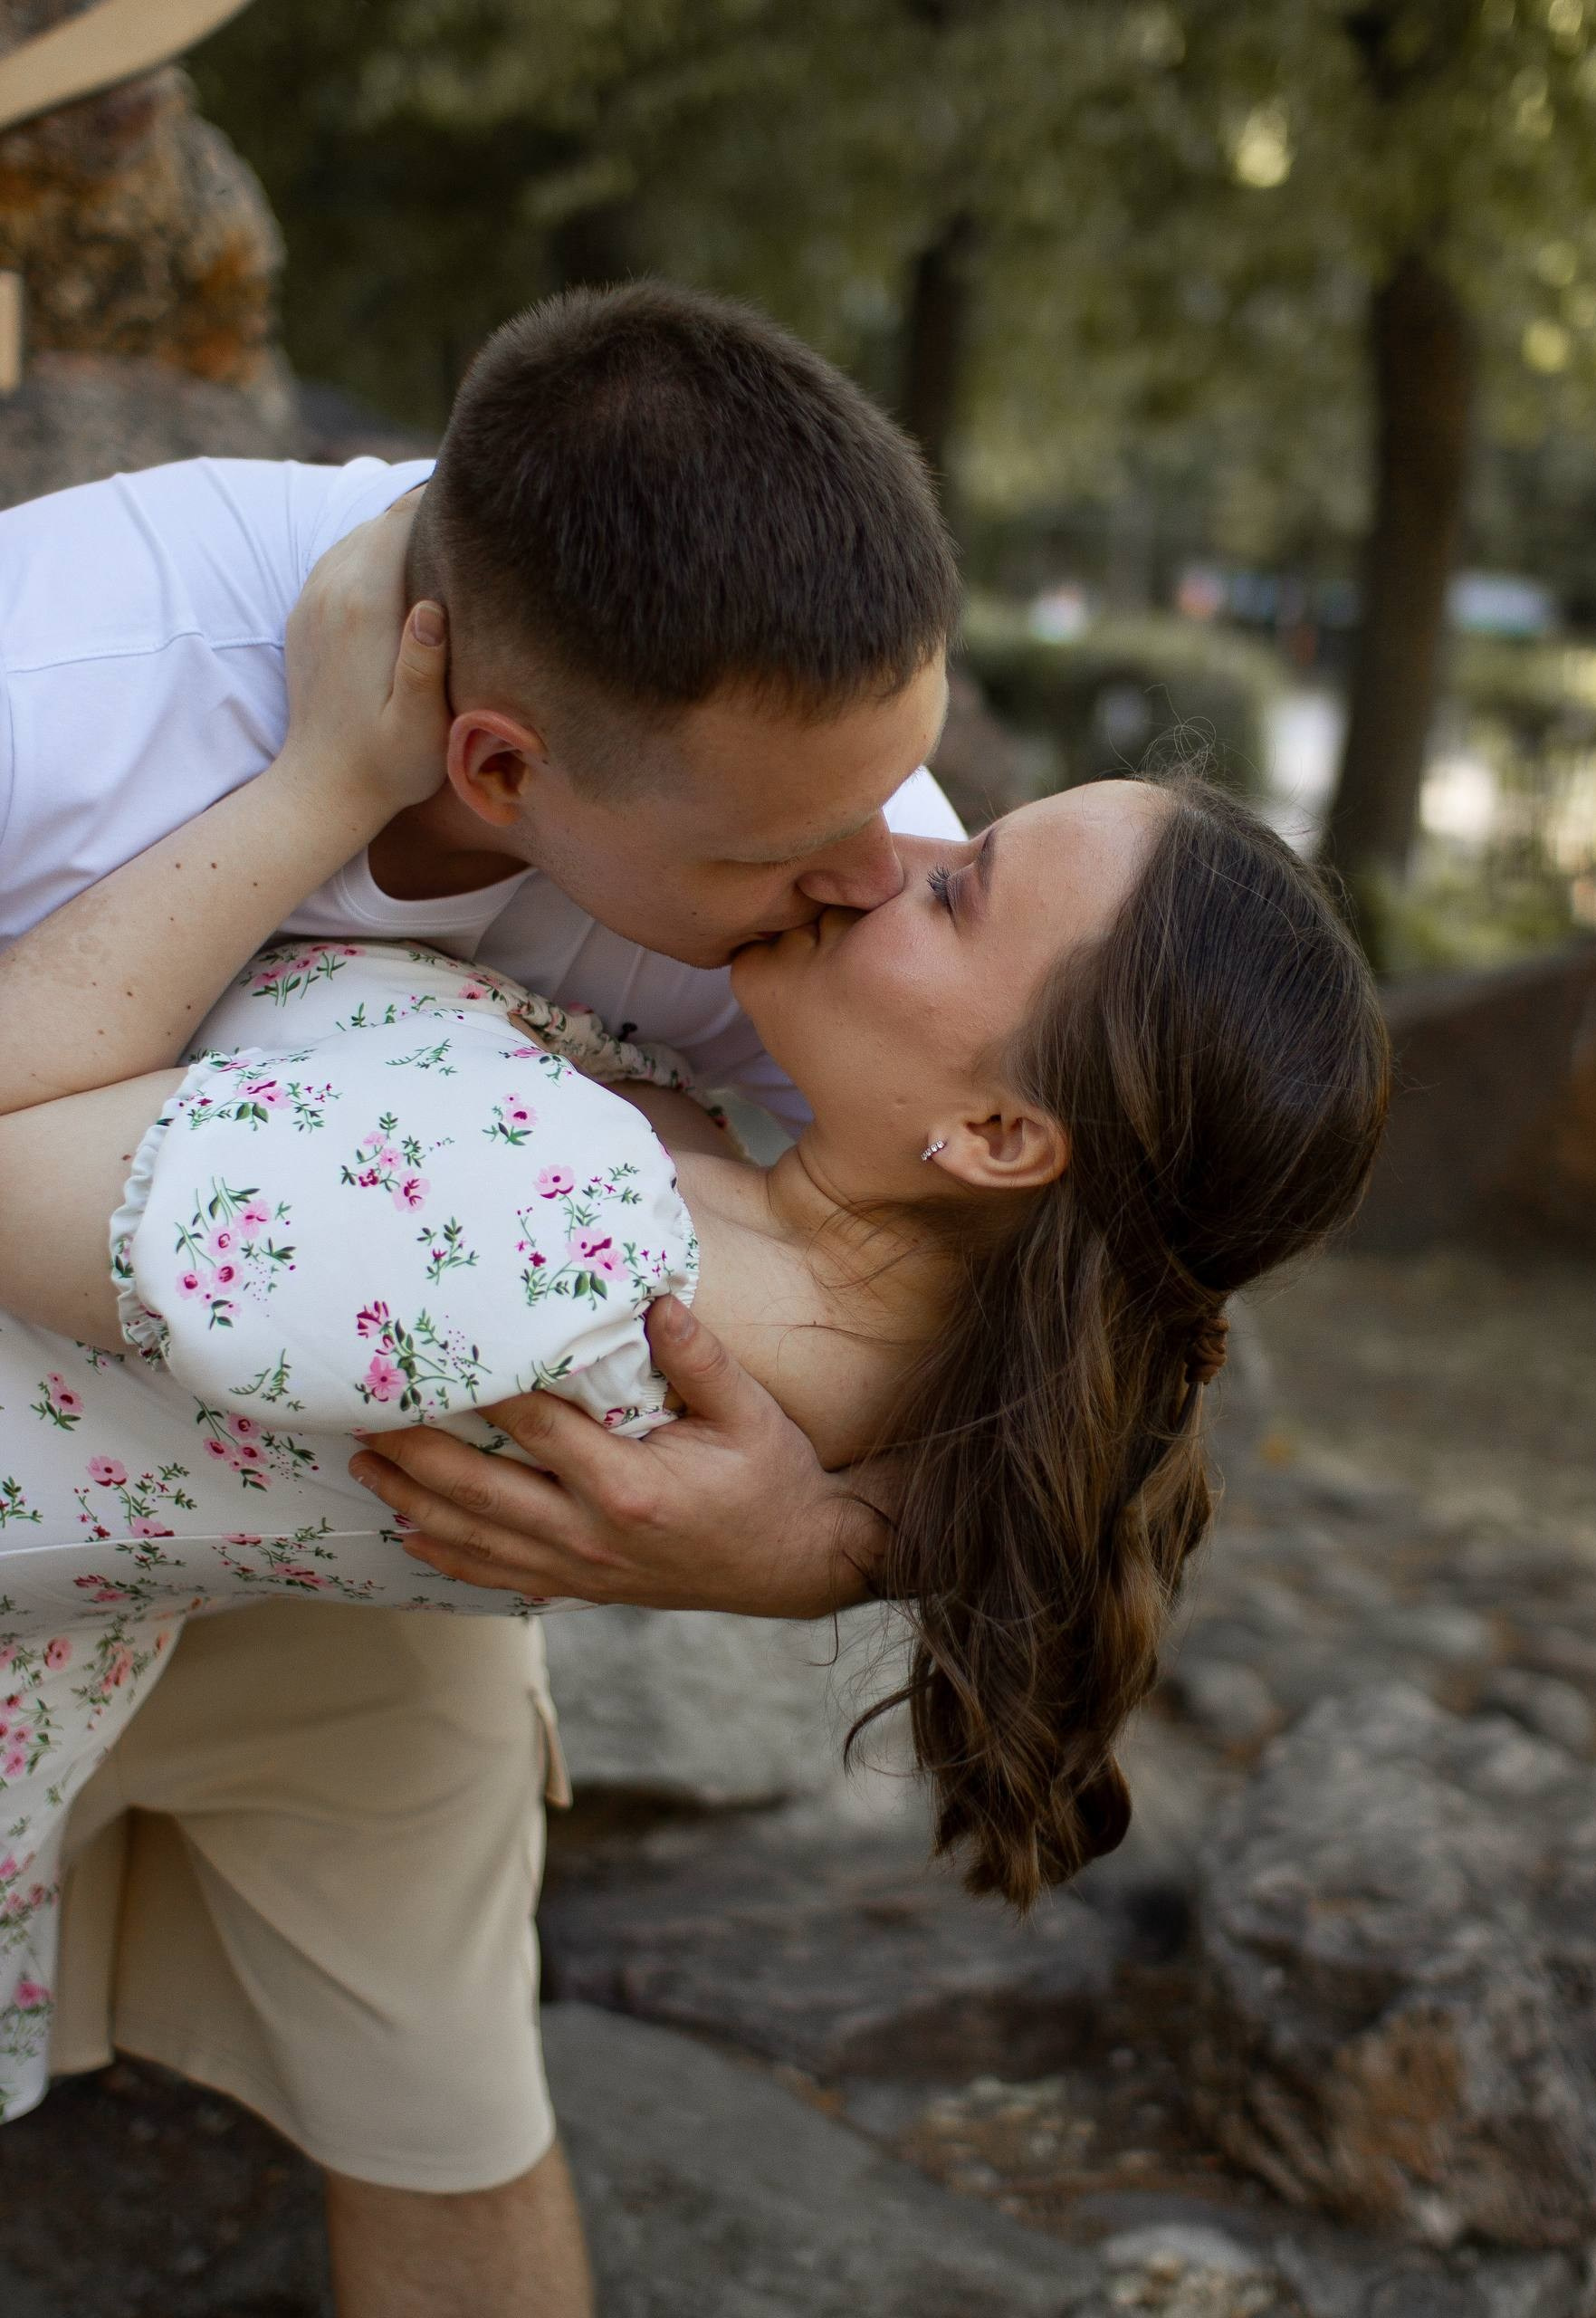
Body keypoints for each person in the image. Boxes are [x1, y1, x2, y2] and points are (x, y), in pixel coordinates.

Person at [0, 548, 1388, 2152]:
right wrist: (840, 1547)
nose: (883, 855)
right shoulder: (836, 1307)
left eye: (954, 890)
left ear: (1001, 1133)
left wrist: (323, 783)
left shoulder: (554, 1249)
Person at [0, 278, 968, 2317]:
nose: (883, 877)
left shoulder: (840, 817)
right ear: (504, 761)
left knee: (447, 2112)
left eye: (909, 802)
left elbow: (1118, 1339)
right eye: (808, 856)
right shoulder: (64, 673)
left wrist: (809, 1545)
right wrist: (309, 802)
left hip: (385, 1546)